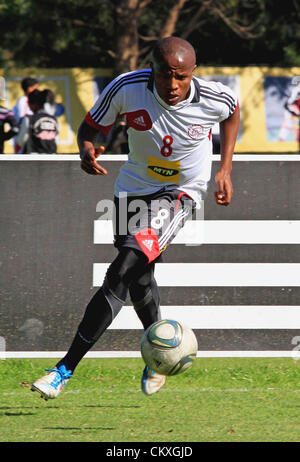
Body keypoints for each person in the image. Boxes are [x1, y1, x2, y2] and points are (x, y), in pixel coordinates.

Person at [31, 37, 240, 400]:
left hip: (181, 192)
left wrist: (224, 169)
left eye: (181, 77)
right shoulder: (126, 87)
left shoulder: (214, 96)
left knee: (123, 268)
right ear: (152, 69)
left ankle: (62, 370)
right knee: (140, 276)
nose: (172, 86)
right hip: (133, 187)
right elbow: (90, 128)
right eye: (164, 76)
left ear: (193, 73)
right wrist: (86, 149)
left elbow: (233, 113)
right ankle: (159, 352)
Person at [16, 89, 59, 154]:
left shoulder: (28, 119)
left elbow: (20, 141)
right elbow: (55, 141)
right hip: (52, 159)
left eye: (29, 103)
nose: (29, 107)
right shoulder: (54, 120)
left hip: (33, 160)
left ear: (34, 104)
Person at [12, 77, 38, 153]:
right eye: (35, 88)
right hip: (23, 137)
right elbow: (23, 119)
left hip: (29, 137)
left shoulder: (32, 102)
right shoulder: (23, 101)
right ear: (29, 89)